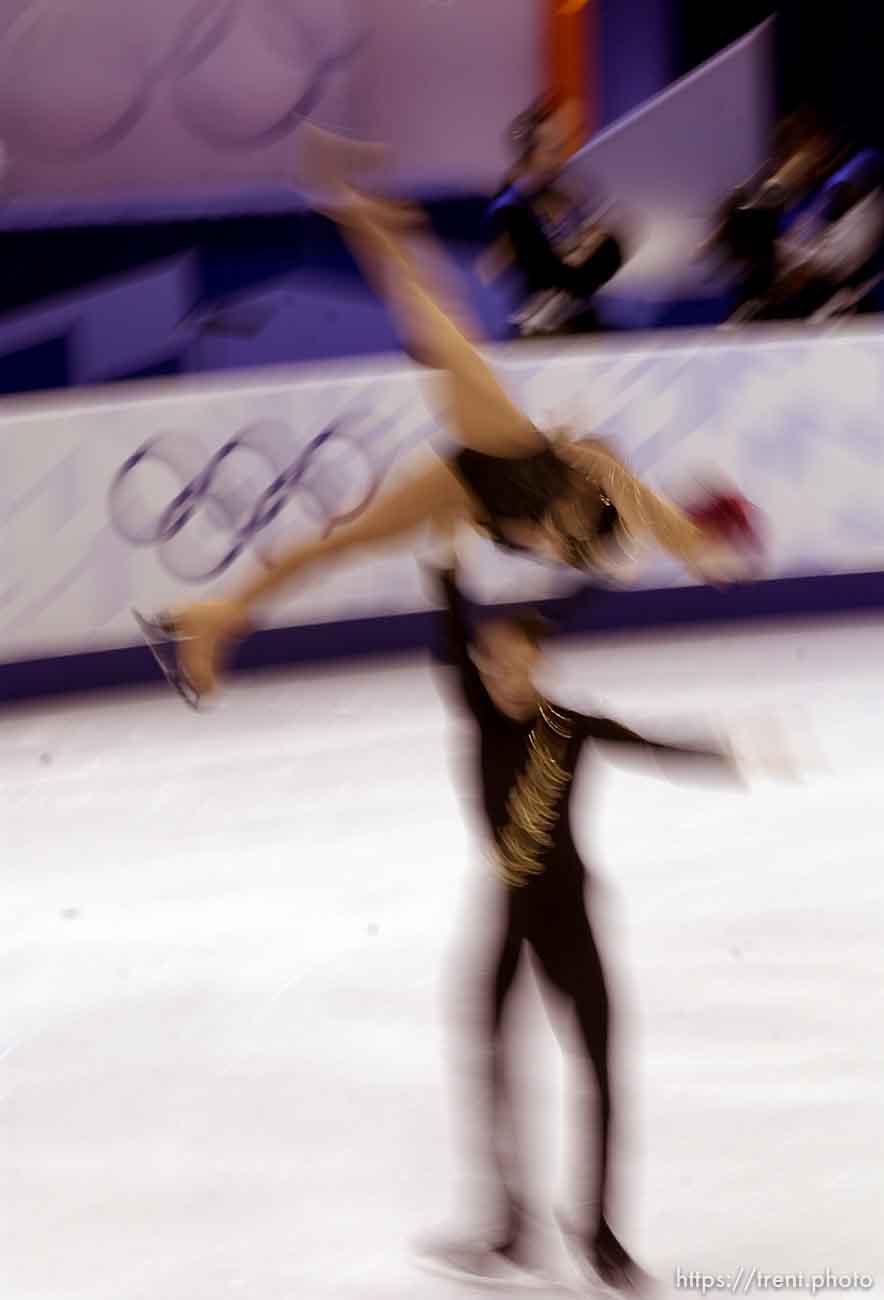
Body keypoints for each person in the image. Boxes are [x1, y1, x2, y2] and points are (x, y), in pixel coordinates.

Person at [136, 148, 762, 709]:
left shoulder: (643, 525)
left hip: (499, 483)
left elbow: (623, 504)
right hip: (506, 466)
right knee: (437, 334)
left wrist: (582, 488)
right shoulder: (634, 511)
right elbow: (612, 489)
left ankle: (378, 221)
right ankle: (213, 622)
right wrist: (580, 472)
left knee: (437, 331)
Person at [414, 559, 751, 1292]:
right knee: (492, 1063)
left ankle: (598, 1234)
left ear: (538, 658)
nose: (503, 669)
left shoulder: (571, 725)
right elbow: (448, 622)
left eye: (517, 655)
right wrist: (441, 559)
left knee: (598, 1073)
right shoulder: (475, 709)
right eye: (491, 658)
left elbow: (650, 745)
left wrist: (722, 752)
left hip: (570, 920)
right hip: (509, 920)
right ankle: (510, 1227)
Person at [482, 96, 628, 336]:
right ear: (529, 154)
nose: (560, 160)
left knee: (611, 246)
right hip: (539, 332)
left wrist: (583, 249)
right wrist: (578, 251)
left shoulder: (565, 193)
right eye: (553, 150)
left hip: (578, 320)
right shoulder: (507, 209)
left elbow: (602, 247)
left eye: (562, 148)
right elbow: (541, 272)